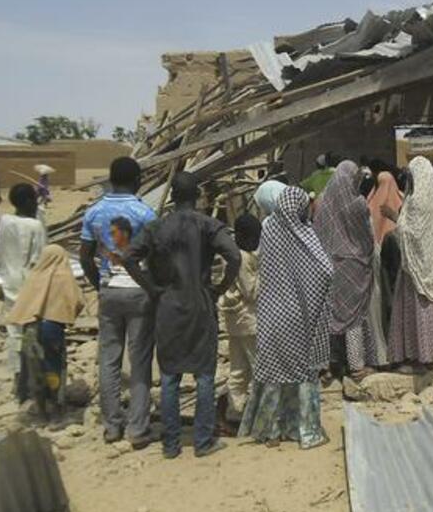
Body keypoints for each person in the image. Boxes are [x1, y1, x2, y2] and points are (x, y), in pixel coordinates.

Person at [124, 172, 241, 459]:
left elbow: (128, 257)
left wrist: (152, 288)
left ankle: (171, 444)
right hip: (200, 305)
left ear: (173, 196)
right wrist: (219, 288)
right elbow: (234, 256)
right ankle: (203, 441)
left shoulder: (156, 227)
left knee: (169, 377)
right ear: (197, 195)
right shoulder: (208, 225)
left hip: (168, 307)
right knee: (204, 375)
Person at [240, 186, 332, 449]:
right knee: (303, 371)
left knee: (274, 370)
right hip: (299, 316)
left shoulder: (268, 229)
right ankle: (305, 429)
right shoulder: (305, 233)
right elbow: (326, 271)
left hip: (271, 314)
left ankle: (270, 429)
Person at [79, 157, 157, 449]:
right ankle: (137, 428)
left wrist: (98, 284)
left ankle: (112, 425)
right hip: (138, 292)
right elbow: (156, 255)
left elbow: (85, 256)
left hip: (109, 290)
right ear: (137, 180)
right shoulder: (145, 213)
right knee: (140, 360)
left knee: (109, 359)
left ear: (111, 180)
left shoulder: (94, 212)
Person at [314, 161, 384, 379]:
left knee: (331, 314)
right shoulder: (358, 204)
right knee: (354, 316)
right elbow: (367, 238)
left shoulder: (322, 203)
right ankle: (356, 365)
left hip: (327, 265)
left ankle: (329, 364)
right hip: (354, 267)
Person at [382, 156, 433, 368]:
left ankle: (418, 356)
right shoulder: (432, 197)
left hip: (416, 268)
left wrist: (393, 216)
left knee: (416, 310)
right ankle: (427, 354)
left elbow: (410, 232)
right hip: (427, 265)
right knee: (426, 308)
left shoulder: (417, 201)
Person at [6, 245, 84, 421]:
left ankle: (41, 412)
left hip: (30, 329)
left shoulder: (35, 275)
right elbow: (77, 301)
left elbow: (23, 302)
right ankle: (56, 411)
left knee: (35, 369)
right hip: (52, 328)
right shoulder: (63, 275)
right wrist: (64, 313)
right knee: (54, 368)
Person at [0, 183, 47, 394]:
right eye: (34, 200)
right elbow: (39, 258)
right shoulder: (35, 227)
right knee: (32, 334)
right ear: (27, 202)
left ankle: (18, 378)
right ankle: (32, 380)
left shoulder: (5, 221)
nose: (36, 204)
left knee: (14, 333)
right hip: (29, 285)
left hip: (9, 281)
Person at [217, 214, 261, 420]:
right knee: (258, 368)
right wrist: (264, 272)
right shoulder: (242, 258)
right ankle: (259, 413)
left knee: (238, 370)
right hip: (248, 321)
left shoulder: (234, 254)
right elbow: (251, 291)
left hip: (236, 321)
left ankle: (234, 412)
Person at [367, 171, 403, 337]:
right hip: (398, 249)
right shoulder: (401, 199)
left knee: (385, 292)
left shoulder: (371, 201)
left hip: (381, 252)